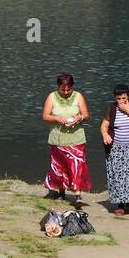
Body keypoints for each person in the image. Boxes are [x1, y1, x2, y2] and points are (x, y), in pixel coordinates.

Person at [42, 72, 91, 203]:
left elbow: (86, 115)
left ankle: (77, 195)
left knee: (77, 165)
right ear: (58, 87)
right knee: (59, 166)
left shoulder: (78, 96)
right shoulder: (52, 97)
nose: (65, 91)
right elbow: (45, 116)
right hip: (57, 138)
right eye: (63, 89)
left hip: (76, 138)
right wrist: (56, 118)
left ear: (72, 86)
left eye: (68, 89)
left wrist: (79, 117)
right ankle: (61, 191)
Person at [101, 84, 129, 216]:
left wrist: (128, 110)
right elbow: (104, 125)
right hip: (116, 148)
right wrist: (105, 134)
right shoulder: (111, 109)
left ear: (128, 96)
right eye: (119, 98)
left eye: (124, 98)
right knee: (118, 176)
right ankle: (120, 204)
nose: (121, 101)